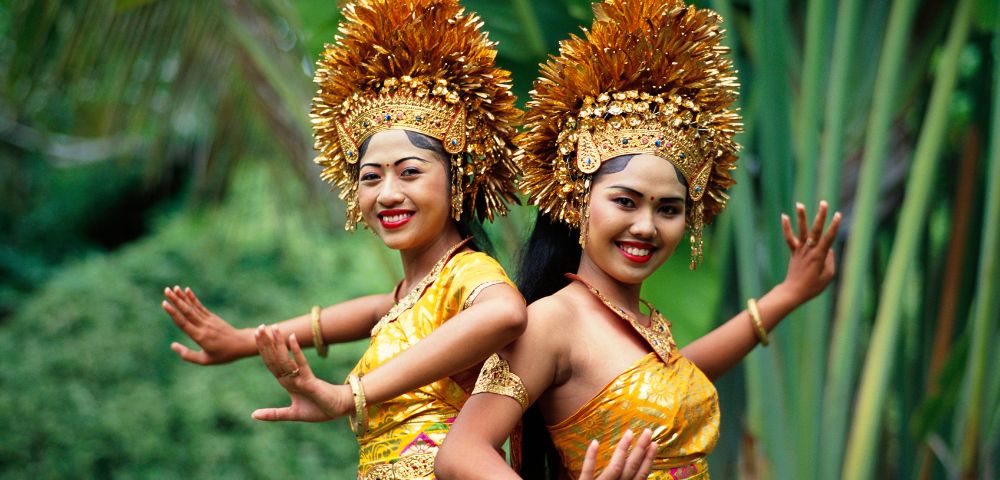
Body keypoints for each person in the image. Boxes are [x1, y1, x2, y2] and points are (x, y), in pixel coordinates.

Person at [434, 1, 842, 478]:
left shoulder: (643, 322)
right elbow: (460, 452)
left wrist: (787, 295)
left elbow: (674, 378)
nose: (646, 226)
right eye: (626, 201)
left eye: (668, 209)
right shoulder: (552, 321)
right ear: (577, 201)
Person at [163, 1, 531, 477]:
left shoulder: (468, 273)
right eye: (371, 177)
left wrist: (350, 394)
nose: (387, 194)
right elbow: (366, 312)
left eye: (410, 173)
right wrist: (242, 341)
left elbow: (505, 313)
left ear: (457, 181)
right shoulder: (411, 296)